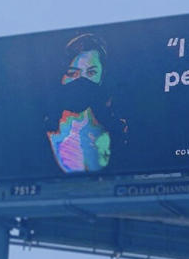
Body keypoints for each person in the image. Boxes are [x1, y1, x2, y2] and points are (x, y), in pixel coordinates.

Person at [45, 33, 128, 173]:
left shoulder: (118, 133)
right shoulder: (39, 134)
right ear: (61, 77)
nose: (81, 81)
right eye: (72, 73)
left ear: (102, 77)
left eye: (91, 73)